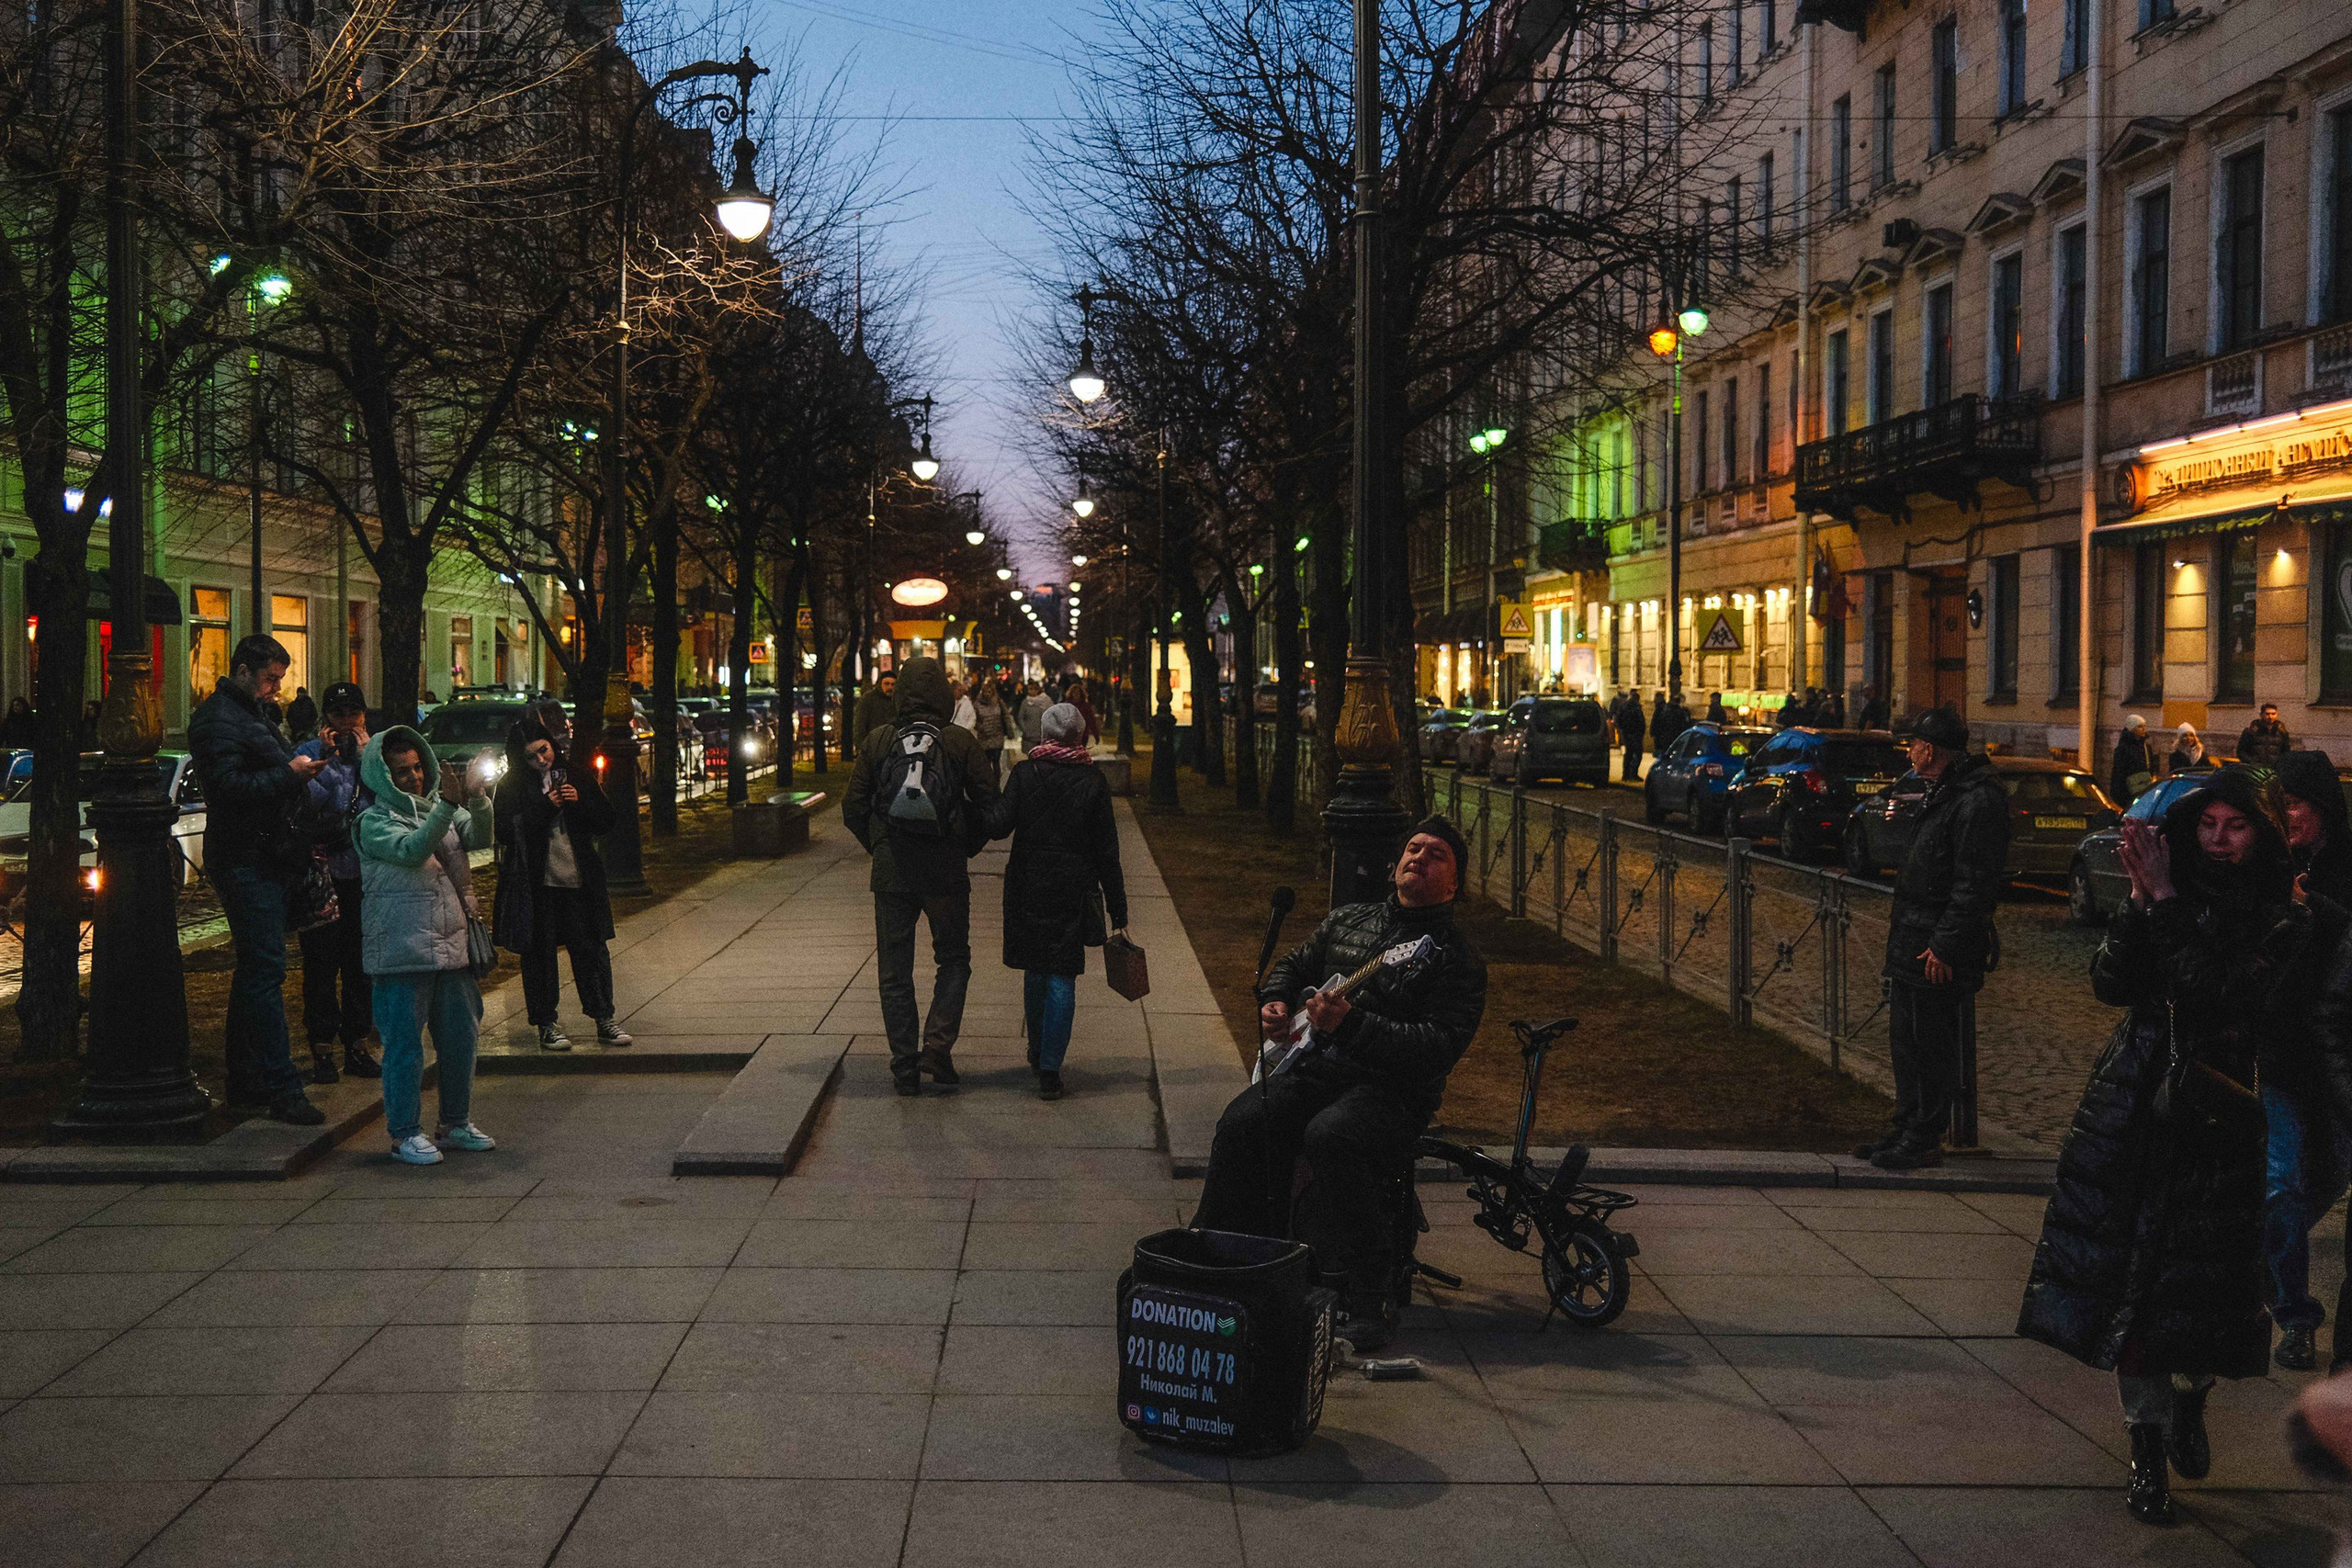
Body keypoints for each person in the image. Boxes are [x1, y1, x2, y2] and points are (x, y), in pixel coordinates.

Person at [2019, 766, 2328, 1527]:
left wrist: (2162, 903)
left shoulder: (2282, 915)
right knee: (2136, 1289)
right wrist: (2136, 902)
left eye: (2236, 826)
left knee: (2210, 1290)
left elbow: (2214, 991)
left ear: (2260, 833)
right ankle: (2145, 1447)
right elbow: (2111, 983)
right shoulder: (2164, 891)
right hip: (2139, 1098)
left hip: (2221, 1109)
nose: (2219, 841)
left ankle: (2190, 1397)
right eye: (2207, 826)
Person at [1193, 818, 1487, 1349]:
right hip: (1322, 1069)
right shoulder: (1349, 919)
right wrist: (1276, 1001)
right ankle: (1217, 1259)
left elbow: (1436, 1047)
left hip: (1394, 1090)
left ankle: (1368, 1292)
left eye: (1437, 854)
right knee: (1244, 1120)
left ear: (1454, 884)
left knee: (1333, 1136)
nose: (1418, 857)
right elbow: (1293, 963)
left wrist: (1351, 1024)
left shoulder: (1454, 957)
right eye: (1413, 848)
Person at [1856, 707, 2009, 1170]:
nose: (1908, 752)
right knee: (1907, 1039)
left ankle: (1924, 1136)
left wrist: (1945, 944)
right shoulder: (1946, 790)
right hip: (1914, 938)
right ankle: (1907, 1126)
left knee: (1930, 1045)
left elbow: (1973, 885)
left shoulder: (1976, 800)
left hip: (1934, 948)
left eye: (1913, 745)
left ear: (1930, 751)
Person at [188, 633, 329, 1125]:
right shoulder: (219, 720)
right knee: (265, 969)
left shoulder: (248, 714)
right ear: (244, 670)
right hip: (247, 858)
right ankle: (280, 1085)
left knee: (257, 969)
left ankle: (247, 1077)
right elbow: (227, 789)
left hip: (263, 854)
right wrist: (291, 775)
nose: (276, 689)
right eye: (271, 679)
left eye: (279, 681)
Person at [842, 655, 1001, 1093]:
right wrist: (965, 844)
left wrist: (878, 845)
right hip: (945, 871)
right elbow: (990, 807)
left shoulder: (878, 740)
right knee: (953, 960)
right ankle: (937, 1046)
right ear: (942, 696)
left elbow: (852, 806)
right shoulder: (959, 741)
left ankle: (903, 1065)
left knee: (895, 971)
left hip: (893, 872)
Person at [356, 726, 494, 1166]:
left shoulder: (439, 808)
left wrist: (474, 797)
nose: (415, 778)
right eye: (402, 772)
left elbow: (479, 837)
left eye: (419, 767)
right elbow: (413, 850)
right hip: (401, 949)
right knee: (404, 1047)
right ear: (382, 778)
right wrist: (449, 805)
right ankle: (404, 1133)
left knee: (459, 1040)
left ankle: (454, 1122)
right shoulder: (373, 822)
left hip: (452, 946)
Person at [986, 703, 1128, 1100]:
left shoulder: (1025, 773)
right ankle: (1050, 1069)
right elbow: (1107, 852)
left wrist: (976, 800)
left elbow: (998, 826)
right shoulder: (1093, 781)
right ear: (1079, 736)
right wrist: (1119, 910)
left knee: (1035, 969)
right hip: (1072, 889)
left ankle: (1036, 1049)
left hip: (1028, 885)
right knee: (1063, 974)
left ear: (1045, 734)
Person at [2266, 750, 2352, 1371]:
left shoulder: (2344, 866)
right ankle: (2294, 1315)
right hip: (2285, 1062)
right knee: (2282, 1188)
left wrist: (2313, 907)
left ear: (2320, 808)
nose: (2285, 815)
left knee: (2319, 1190)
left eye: (2293, 803)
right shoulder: (2269, 865)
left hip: (2342, 1069)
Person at [493, 719, 629, 1051]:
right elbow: (506, 832)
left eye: (544, 750)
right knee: (540, 955)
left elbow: (606, 820)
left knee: (591, 949)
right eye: (531, 756)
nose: (542, 760)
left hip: (580, 882)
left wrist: (579, 801)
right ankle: (546, 1023)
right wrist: (544, 807)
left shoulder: (575, 774)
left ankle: (603, 1017)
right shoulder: (512, 786)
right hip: (537, 886)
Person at [291, 682, 379, 1086]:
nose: (347, 722)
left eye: (353, 714)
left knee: (360, 963)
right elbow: (306, 803)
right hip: (322, 876)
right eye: (339, 714)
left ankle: (358, 1044)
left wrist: (366, 762)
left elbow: (386, 800)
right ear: (326, 718)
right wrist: (324, 763)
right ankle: (322, 1047)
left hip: (362, 875)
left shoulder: (374, 753)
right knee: (321, 964)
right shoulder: (307, 753)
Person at [968, 678, 1009, 786]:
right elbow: (973, 719)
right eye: (985, 691)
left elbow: (1005, 717)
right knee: (986, 764)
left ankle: (996, 786)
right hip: (984, 737)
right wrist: (980, 727)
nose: (987, 694)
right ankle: (987, 785)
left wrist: (1009, 732)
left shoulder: (999, 702)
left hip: (997, 736)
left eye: (989, 692)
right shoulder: (977, 704)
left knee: (996, 763)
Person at [2111, 715, 2157, 805]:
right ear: (2132, 729)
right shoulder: (2123, 748)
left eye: (2144, 726)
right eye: (2139, 726)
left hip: (2145, 789)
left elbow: (2151, 766)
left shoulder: (2146, 747)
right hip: (2128, 792)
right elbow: (2118, 772)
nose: (2143, 729)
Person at [851, 670, 896, 752]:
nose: (890, 687)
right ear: (880, 684)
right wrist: (861, 748)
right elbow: (860, 725)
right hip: (873, 748)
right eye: (886, 684)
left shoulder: (898, 700)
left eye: (893, 684)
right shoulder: (868, 699)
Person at [2237, 703, 2294, 767]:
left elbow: (2286, 752)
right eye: (2267, 714)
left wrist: (2280, 764)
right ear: (2261, 715)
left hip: (2275, 769)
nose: (2270, 717)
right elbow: (2241, 752)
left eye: (2273, 714)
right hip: (2256, 769)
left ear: (2277, 715)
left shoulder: (2282, 732)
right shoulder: (2251, 731)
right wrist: (2252, 762)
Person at [1615, 689, 1645, 782]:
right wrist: (1641, 732)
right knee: (1637, 754)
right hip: (1634, 734)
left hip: (1627, 733)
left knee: (1629, 753)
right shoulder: (1636, 707)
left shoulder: (1623, 706)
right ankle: (1633, 774)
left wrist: (1622, 730)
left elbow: (1618, 720)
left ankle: (1626, 774)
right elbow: (1641, 721)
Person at [1017, 679, 1052, 752]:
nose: (1030, 691)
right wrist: (1025, 730)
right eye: (1028, 689)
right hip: (1030, 736)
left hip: (1043, 735)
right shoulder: (1026, 702)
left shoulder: (1046, 701)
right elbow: (1021, 718)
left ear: (1037, 690)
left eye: (1032, 689)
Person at [1068, 678, 1102, 745]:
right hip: (1070, 734)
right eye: (1074, 692)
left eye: (1078, 693)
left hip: (1083, 734)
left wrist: (1096, 735)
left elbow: (1091, 720)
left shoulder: (1086, 706)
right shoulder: (1067, 705)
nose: (1076, 694)